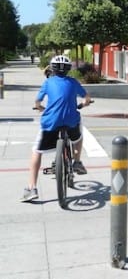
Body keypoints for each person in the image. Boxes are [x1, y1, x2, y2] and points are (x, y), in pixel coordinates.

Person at [21, 55, 92, 202]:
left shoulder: (48, 82)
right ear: (68, 69)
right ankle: (77, 162)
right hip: (71, 120)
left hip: (50, 122)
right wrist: (84, 104)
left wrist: (40, 108)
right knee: (79, 135)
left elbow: (38, 101)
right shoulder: (73, 82)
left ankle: (31, 188)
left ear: (52, 69)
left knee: (37, 151)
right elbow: (87, 98)